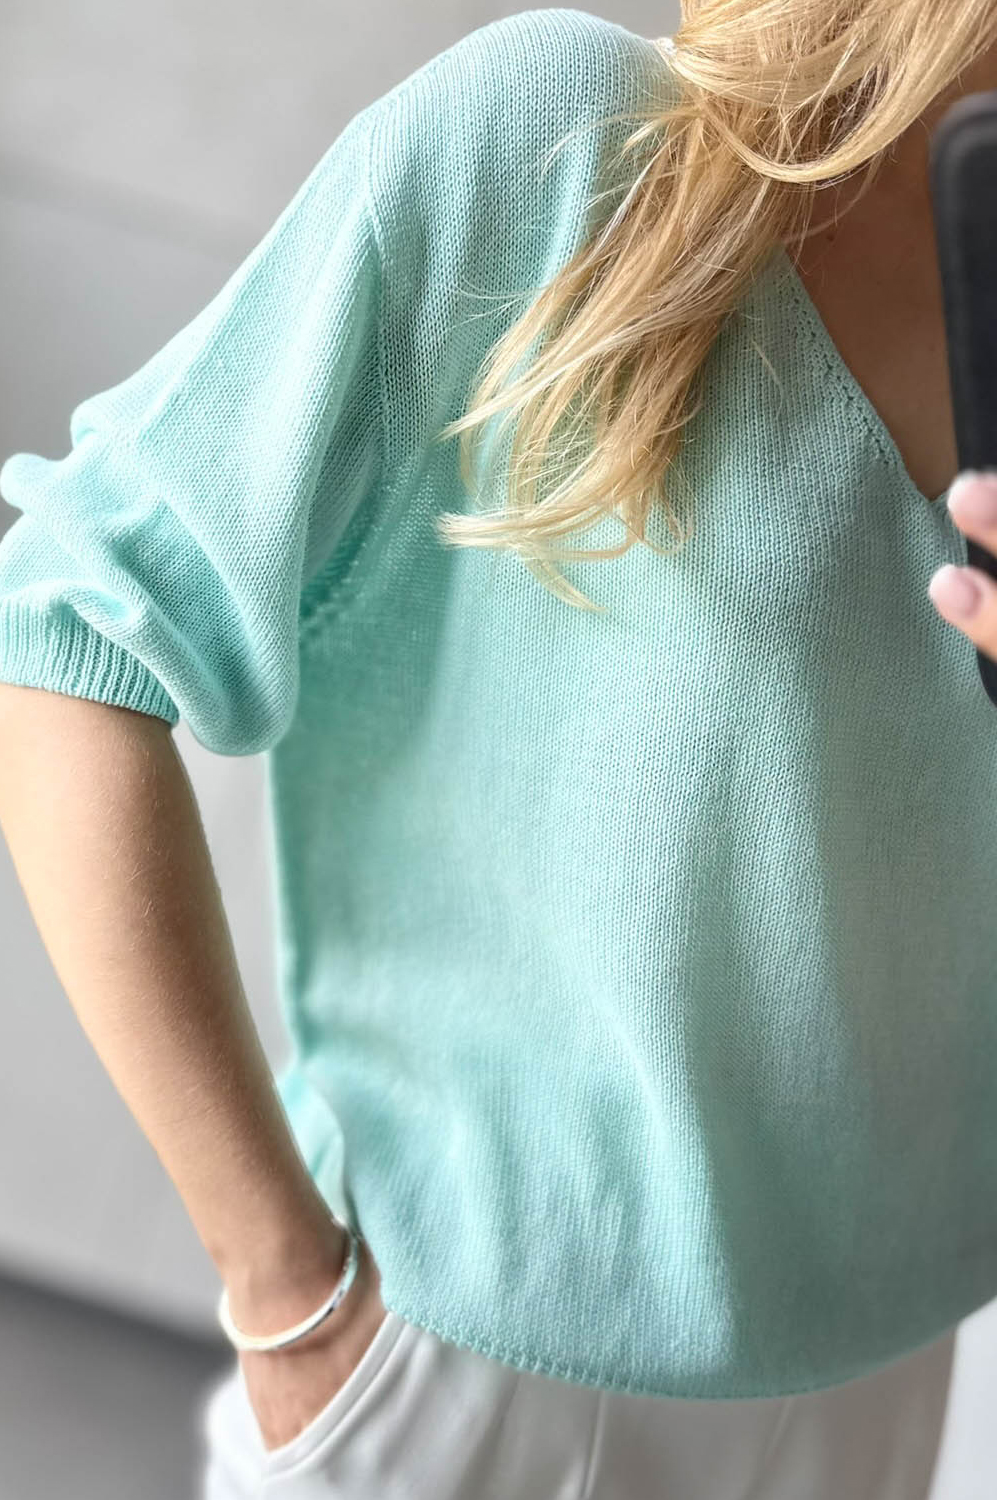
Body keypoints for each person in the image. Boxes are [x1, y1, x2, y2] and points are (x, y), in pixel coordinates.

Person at [0, 3, 995, 1496]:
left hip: (888, 1381)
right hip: (466, 1375)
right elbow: (69, 637)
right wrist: (281, 1284)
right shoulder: (566, 144)